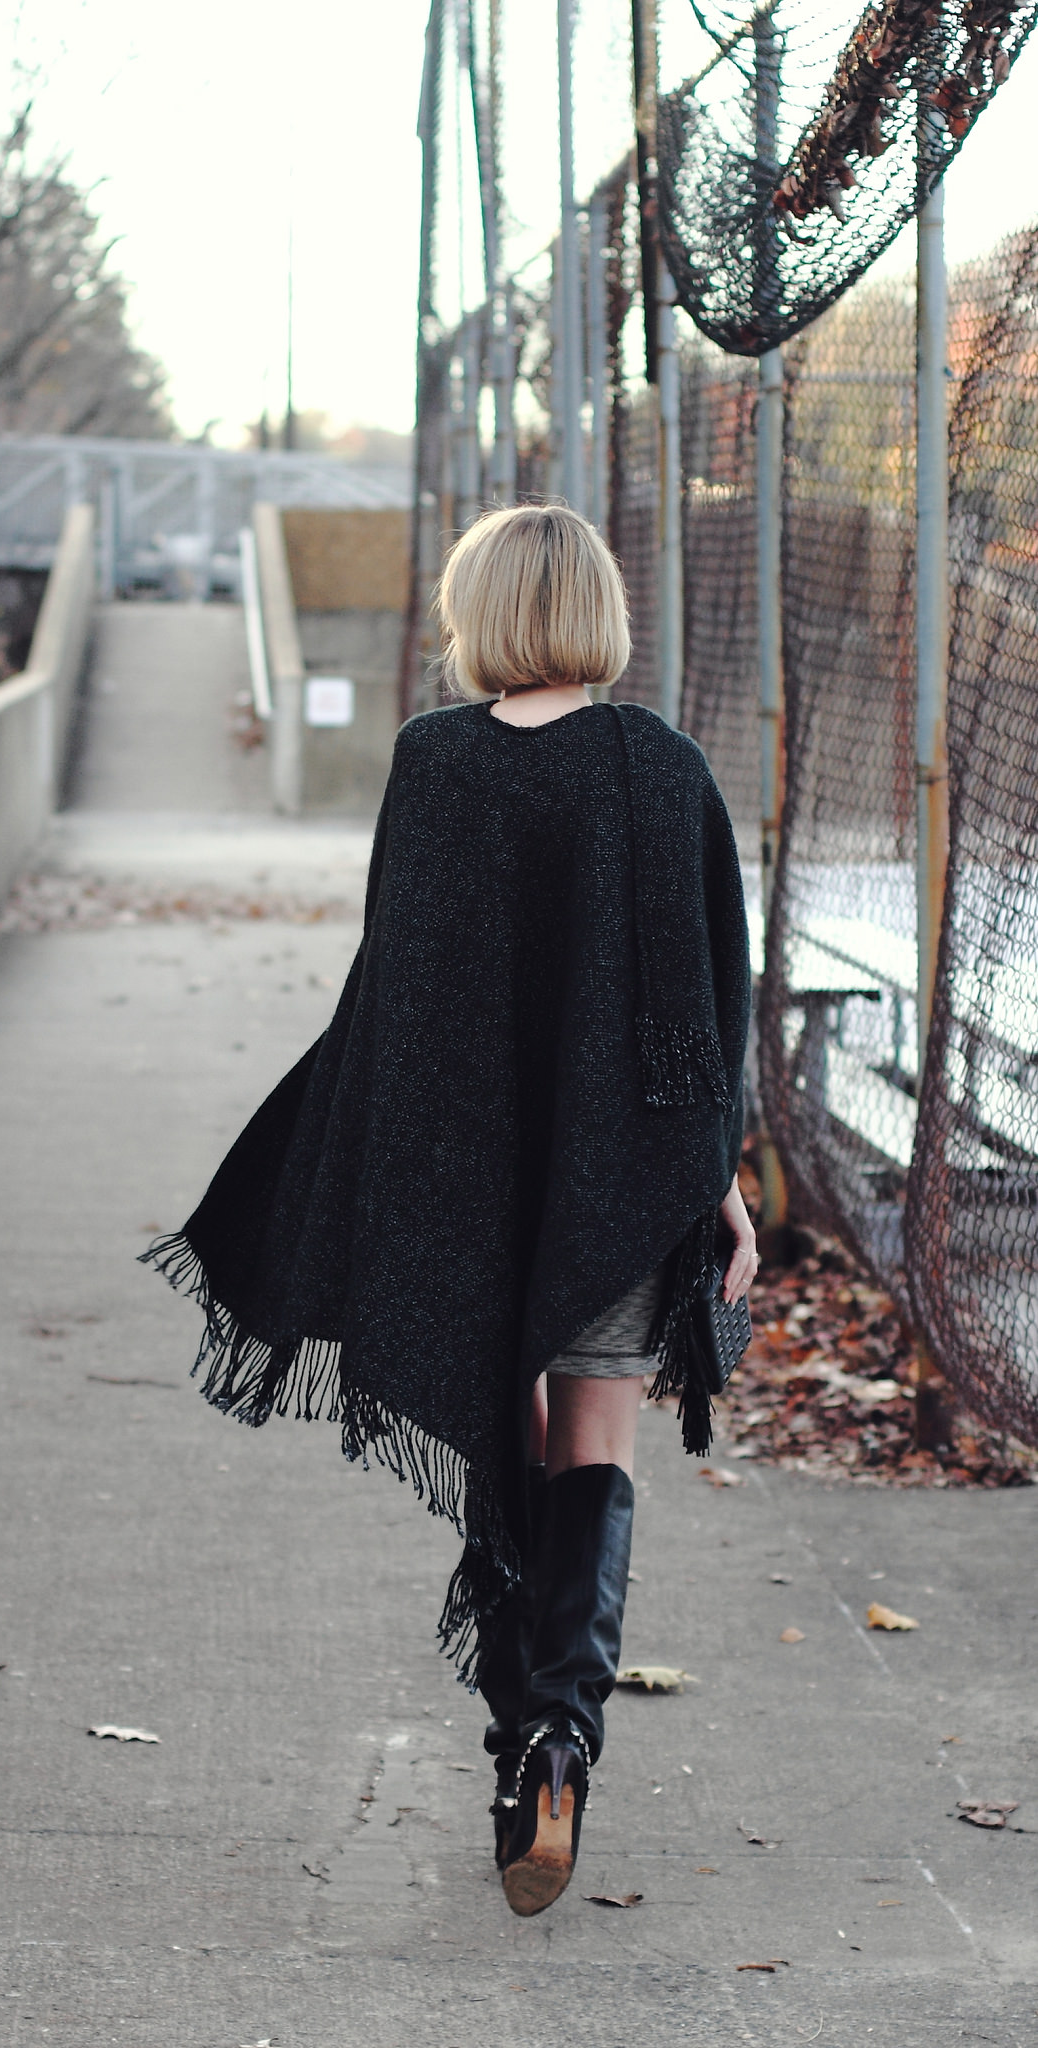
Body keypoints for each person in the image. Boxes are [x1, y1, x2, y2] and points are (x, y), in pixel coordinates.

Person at [143, 503, 755, 1918]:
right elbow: (700, 1015)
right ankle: (560, 1741)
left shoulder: (433, 765)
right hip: (615, 1180)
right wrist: (714, 1181)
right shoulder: (662, 771)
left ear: (475, 612)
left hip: (464, 1196)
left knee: (510, 1449)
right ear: (596, 610)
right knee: (599, 1437)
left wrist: (354, 1171)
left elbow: (399, 1001)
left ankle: (516, 1751)